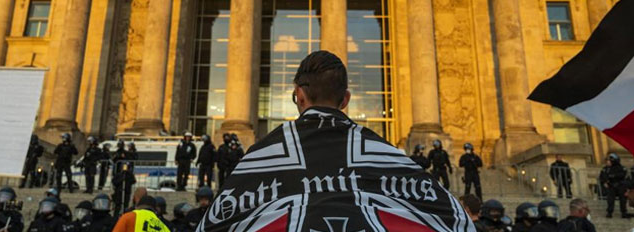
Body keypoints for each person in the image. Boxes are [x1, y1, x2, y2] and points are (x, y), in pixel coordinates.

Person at [198, 51, 473, 231]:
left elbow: (212, 225)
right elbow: (458, 222)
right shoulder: (388, 155)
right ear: (345, 99)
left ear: (299, 97)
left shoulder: (261, 156)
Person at [600, 152, 628, 218]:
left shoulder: (621, 168)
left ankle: (624, 212)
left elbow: (623, 175)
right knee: (610, 200)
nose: (607, 162)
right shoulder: (605, 169)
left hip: (620, 185)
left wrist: (612, 176)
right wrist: (604, 182)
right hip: (611, 186)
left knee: (623, 200)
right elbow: (602, 176)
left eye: (609, 161)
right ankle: (609, 212)